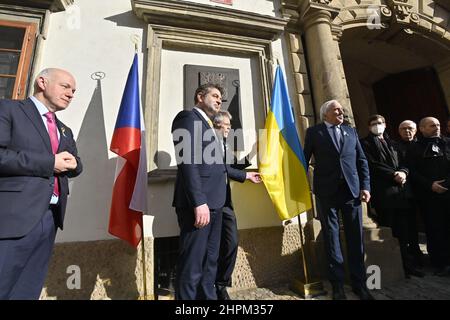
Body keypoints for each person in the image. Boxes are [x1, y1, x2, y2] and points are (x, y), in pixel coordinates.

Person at [171, 84, 260, 300]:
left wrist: (245, 175)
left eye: (221, 97)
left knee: (210, 260)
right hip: (200, 205)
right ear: (200, 96)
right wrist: (198, 201)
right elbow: (188, 162)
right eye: (215, 96)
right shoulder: (187, 118)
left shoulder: (209, 126)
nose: (219, 100)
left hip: (217, 203)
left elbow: (218, 166)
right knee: (192, 263)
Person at [0, 68, 82, 299]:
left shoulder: (64, 129)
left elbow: (76, 164)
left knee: (28, 288)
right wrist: (50, 162)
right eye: (65, 86)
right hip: (13, 217)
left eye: (73, 91)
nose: (70, 94)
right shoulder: (9, 110)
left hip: (50, 217)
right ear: (42, 82)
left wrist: (73, 164)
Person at [303, 100, 374, 300]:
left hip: (352, 193)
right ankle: (337, 286)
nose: (341, 112)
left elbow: (362, 161)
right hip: (327, 193)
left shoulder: (350, 132)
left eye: (341, 110)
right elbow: (304, 159)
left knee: (355, 238)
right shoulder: (314, 132)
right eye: (336, 110)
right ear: (325, 114)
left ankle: (359, 284)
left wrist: (365, 187)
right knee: (332, 238)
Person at [360, 115, 423, 278]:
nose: (377, 126)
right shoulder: (365, 143)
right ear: (369, 126)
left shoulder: (393, 143)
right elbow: (372, 165)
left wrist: (403, 172)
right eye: (374, 124)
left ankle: (407, 266)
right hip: (383, 193)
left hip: (401, 193)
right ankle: (391, 266)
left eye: (380, 123)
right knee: (388, 230)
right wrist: (392, 174)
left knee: (404, 232)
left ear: (385, 124)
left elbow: (405, 162)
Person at [212, 110, 260, 300]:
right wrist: (245, 176)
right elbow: (219, 167)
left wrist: (254, 153)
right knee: (212, 247)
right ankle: (213, 288)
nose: (230, 129)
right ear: (217, 125)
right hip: (209, 204)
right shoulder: (206, 142)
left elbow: (231, 168)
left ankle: (221, 283)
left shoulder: (224, 145)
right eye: (227, 125)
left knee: (231, 243)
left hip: (225, 202)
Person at [407, 117, 450, 276]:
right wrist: (430, 185)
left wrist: (447, 185)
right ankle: (441, 263)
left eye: (438, 125)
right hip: (429, 196)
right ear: (422, 128)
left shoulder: (447, 142)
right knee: (435, 229)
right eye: (432, 126)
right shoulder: (414, 148)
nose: (436, 127)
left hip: (448, 193)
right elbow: (413, 171)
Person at [395, 120, 424, 266]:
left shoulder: (423, 145)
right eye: (404, 129)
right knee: (409, 224)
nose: (407, 131)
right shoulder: (395, 147)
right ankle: (413, 253)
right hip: (408, 191)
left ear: (416, 130)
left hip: (426, 190)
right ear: (399, 131)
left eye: (410, 128)